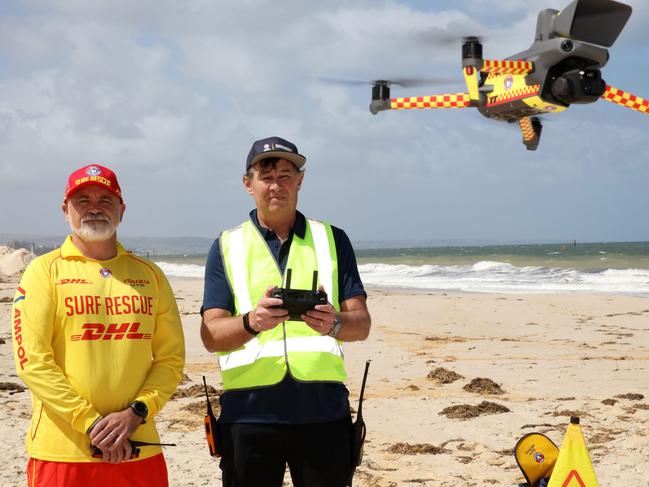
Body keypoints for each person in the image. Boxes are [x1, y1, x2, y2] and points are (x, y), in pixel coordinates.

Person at [201, 136, 371, 487]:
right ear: (248, 184)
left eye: (285, 175)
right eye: (266, 176)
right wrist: (252, 321)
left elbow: (362, 324)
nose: (276, 185)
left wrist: (334, 322)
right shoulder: (226, 245)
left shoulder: (333, 239)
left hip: (323, 413)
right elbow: (211, 336)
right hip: (248, 415)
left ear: (300, 181)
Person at [11, 164, 185, 486]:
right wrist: (91, 423)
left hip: (138, 446)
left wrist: (137, 413)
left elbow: (170, 360)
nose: (94, 208)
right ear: (66, 211)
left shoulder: (150, 276)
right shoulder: (43, 272)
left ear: (122, 209)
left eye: (105, 200)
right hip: (62, 453)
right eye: (83, 201)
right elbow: (32, 362)